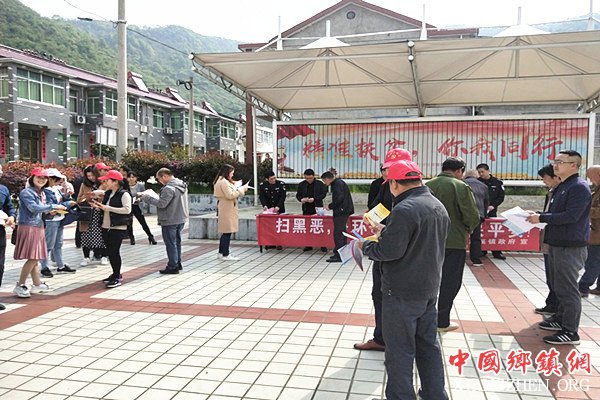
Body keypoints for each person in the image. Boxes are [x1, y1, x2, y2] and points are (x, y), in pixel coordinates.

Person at [360, 160, 450, 400]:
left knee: (399, 349)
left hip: (401, 291)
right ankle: (434, 394)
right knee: (428, 346)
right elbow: (418, 240)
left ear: (394, 183)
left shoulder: (404, 209)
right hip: (428, 288)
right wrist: (385, 232)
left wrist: (364, 245)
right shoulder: (436, 204)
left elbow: (388, 252)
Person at [527, 150, 591, 345]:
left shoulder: (579, 187)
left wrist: (541, 218)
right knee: (558, 286)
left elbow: (571, 216)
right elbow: (556, 213)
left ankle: (570, 331)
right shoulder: (563, 186)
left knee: (568, 289)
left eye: (560, 162)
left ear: (574, 165)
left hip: (569, 246)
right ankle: (561, 319)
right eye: (555, 161)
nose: (555, 165)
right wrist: (537, 215)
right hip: (557, 243)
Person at [355, 147, 411, 352]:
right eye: (386, 169)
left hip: (401, 253)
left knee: (399, 298)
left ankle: (397, 341)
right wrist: (372, 218)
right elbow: (376, 205)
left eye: (392, 168)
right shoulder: (386, 186)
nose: (387, 173)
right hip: (385, 244)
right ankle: (381, 338)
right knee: (379, 294)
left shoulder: (419, 195)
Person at [426, 157, 480, 332]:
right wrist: (468, 229)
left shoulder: (427, 185)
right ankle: (442, 321)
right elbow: (472, 215)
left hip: (427, 241)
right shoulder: (460, 186)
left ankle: (424, 318)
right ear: (459, 171)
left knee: (427, 279)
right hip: (453, 241)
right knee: (450, 281)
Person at [13, 168, 66, 298]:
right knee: (33, 258)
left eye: (44, 178)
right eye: (39, 177)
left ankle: (37, 284)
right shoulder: (27, 192)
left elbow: (40, 210)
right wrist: (53, 206)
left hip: (38, 226)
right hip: (29, 227)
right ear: (32, 178)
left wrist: (50, 211)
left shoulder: (41, 193)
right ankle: (20, 285)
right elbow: (33, 208)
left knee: (35, 258)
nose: (41, 180)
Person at [140, 168, 189, 274]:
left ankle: (172, 266)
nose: (159, 181)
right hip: (180, 217)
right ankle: (177, 263)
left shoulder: (168, 188)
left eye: (159, 179)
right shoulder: (181, 184)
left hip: (169, 219)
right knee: (176, 242)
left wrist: (147, 198)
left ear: (164, 176)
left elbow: (162, 204)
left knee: (171, 243)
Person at [91, 170, 132, 288]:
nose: (105, 182)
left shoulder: (124, 194)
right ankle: (115, 273)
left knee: (114, 252)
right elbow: (105, 208)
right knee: (110, 252)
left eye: (107, 180)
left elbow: (127, 210)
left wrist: (107, 208)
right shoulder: (108, 193)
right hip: (106, 226)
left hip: (118, 227)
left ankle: (117, 276)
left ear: (115, 182)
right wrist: (98, 207)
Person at [534, 164, 561, 317]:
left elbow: (564, 216)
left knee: (557, 278)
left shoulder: (567, 191)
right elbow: (548, 213)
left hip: (558, 241)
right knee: (551, 276)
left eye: (545, 178)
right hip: (548, 239)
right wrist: (538, 215)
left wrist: (541, 217)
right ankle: (551, 304)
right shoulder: (552, 192)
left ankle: (557, 309)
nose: (544, 181)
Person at [40, 168, 77, 278]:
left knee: (58, 244)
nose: (58, 181)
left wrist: (67, 198)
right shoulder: (44, 191)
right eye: (56, 179)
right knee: (48, 245)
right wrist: (67, 204)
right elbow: (50, 206)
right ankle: (44, 267)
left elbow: (60, 201)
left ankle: (60, 265)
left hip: (59, 218)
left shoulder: (55, 189)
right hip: (51, 220)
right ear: (49, 179)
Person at [213, 164, 249, 261]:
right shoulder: (224, 182)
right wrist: (241, 190)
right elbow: (230, 195)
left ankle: (221, 253)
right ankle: (226, 254)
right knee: (227, 232)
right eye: (231, 173)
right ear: (227, 173)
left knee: (225, 231)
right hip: (227, 208)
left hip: (225, 207)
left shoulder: (221, 180)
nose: (232, 175)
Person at [77, 165, 108, 266]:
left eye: (92, 175)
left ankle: (104, 256)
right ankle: (86, 257)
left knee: (101, 235)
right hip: (87, 213)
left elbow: (108, 197)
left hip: (100, 213)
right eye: (88, 176)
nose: (91, 178)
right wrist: (87, 197)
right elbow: (79, 199)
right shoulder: (84, 185)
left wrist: (100, 196)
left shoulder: (104, 183)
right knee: (85, 235)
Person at [321, 170, 354, 263]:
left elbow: (339, 198)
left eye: (324, 181)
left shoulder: (337, 184)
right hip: (343, 210)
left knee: (338, 233)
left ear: (327, 179)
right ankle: (341, 253)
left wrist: (330, 206)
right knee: (341, 232)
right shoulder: (338, 183)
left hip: (341, 211)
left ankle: (339, 255)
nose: (325, 183)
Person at [578, 165, 600, 297]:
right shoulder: (597, 190)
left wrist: (586, 210)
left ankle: (583, 287)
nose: (591, 181)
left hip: (597, 234)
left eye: (592, 178)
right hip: (595, 232)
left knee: (593, 261)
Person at [477, 163, 507, 260]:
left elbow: (501, 197)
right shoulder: (477, 182)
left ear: (488, 171)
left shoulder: (497, 182)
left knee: (494, 231)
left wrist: (493, 205)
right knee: (481, 231)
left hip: (492, 211)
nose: (481, 174)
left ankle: (496, 252)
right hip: (480, 210)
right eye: (479, 172)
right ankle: (482, 250)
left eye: (482, 172)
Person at [295, 168, 328, 252]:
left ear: (313, 176)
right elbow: (298, 195)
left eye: (310, 178)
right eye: (307, 178)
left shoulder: (319, 184)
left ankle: (322, 244)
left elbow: (323, 194)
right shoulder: (302, 184)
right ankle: (308, 244)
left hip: (317, 207)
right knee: (307, 226)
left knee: (319, 226)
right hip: (306, 207)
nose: (309, 180)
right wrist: (301, 199)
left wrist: (315, 199)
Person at [464, 169, 489, 267]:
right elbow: (486, 202)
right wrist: (484, 215)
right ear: (476, 176)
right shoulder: (483, 186)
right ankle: (476, 260)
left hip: (464, 214)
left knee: (462, 236)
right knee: (476, 237)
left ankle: (460, 257)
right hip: (478, 215)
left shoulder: (461, 183)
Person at [0, 164, 16, 309]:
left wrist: (11, 216)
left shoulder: (3, 189)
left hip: (0, 231)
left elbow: (9, 207)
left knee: (0, 265)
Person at [126, 171, 157, 245]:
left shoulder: (140, 185)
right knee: (129, 222)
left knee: (142, 222)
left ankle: (150, 236)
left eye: (133, 177)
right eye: (129, 177)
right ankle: (131, 238)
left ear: (136, 178)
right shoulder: (125, 186)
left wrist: (139, 199)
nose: (131, 179)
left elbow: (143, 194)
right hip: (128, 205)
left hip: (137, 205)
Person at [259, 171, 286, 250]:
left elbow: (283, 196)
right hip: (269, 209)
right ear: (267, 179)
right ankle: (270, 243)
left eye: (274, 178)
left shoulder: (280, 184)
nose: (273, 180)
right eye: (271, 179)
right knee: (269, 227)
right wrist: (264, 205)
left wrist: (278, 206)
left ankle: (279, 243)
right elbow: (262, 197)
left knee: (279, 226)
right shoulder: (263, 185)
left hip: (279, 209)